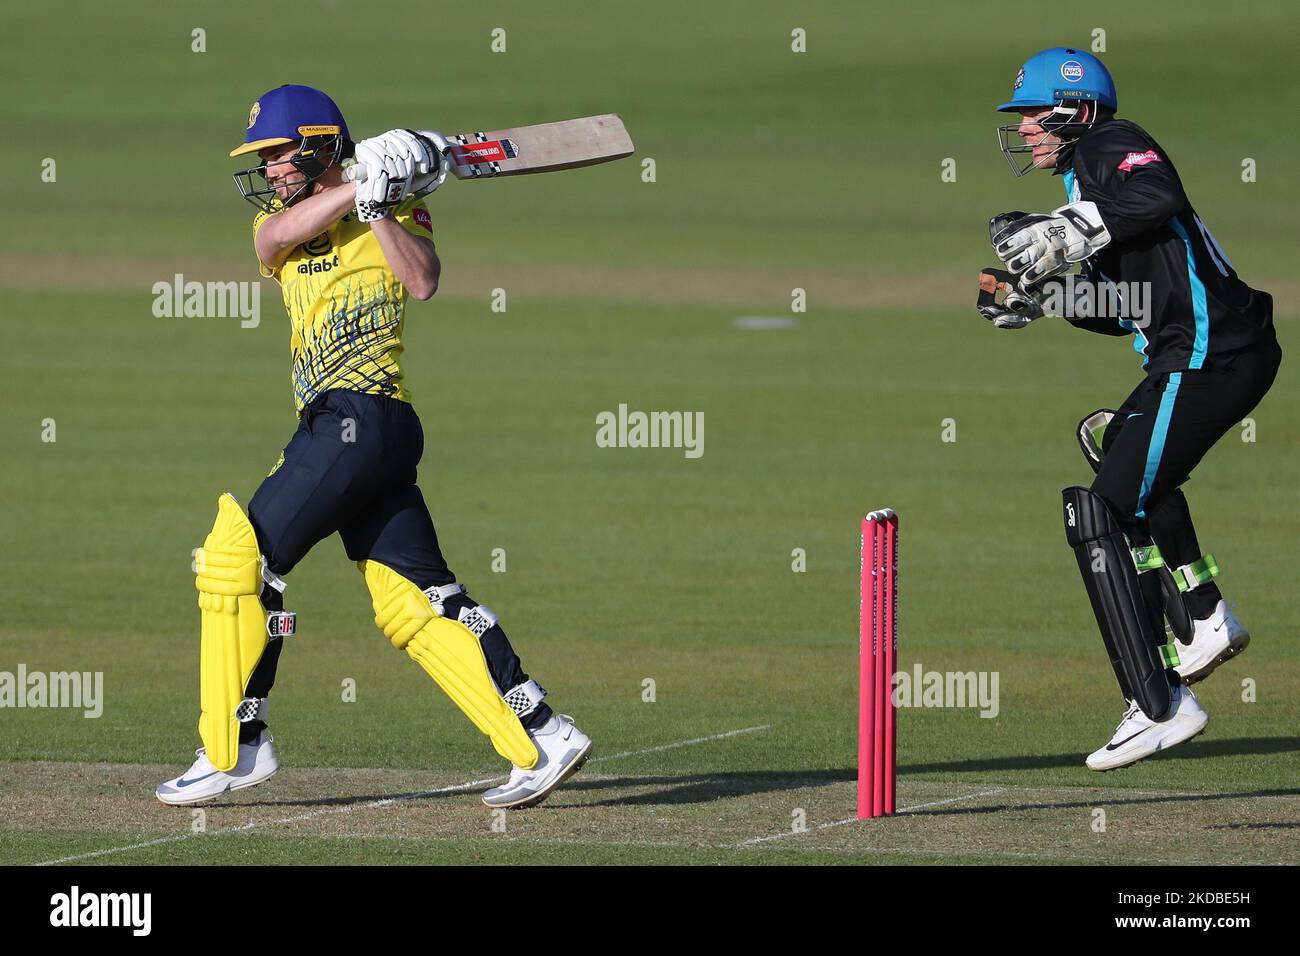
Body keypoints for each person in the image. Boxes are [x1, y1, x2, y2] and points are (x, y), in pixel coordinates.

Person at [157, 84, 591, 808]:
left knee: (238, 558)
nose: (269, 169)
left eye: (279, 153)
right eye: (262, 158)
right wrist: (360, 181)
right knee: (416, 599)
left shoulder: (390, 205)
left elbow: (422, 282)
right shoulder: (283, 227)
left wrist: (379, 205)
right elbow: (271, 239)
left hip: (360, 418)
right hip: (357, 432)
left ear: (320, 142)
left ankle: (234, 746)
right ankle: (543, 734)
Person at [984, 49, 1281, 770]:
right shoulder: (1088, 181)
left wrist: (1064, 231)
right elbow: (1131, 308)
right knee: (1115, 448)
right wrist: (1041, 297)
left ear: (1073, 109)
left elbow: (1159, 195)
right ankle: (1204, 616)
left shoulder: (1110, 146)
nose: (1024, 129)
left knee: (1101, 508)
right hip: (1202, 353)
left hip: (1212, 354)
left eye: (1032, 113)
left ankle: (1159, 703)